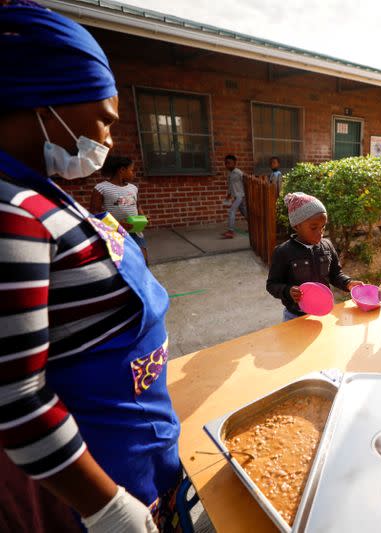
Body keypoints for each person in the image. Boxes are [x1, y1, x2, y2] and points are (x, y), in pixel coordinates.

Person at [0, 3, 180, 532]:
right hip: (95, 480)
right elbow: (15, 397)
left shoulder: (44, 193)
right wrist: (104, 507)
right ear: (43, 98)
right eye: (103, 118)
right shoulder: (12, 216)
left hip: (140, 451)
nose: (106, 137)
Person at [267, 192, 363, 321]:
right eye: (313, 228)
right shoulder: (283, 252)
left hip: (324, 312)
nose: (320, 233)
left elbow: (335, 274)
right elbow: (272, 284)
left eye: (323, 227)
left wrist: (348, 283)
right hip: (295, 316)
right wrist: (287, 291)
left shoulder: (327, 246)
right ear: (297, 226)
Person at [90, 155, 149, 263]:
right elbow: (95, 213)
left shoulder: (133, 188)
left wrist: (143, 218)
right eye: (131, 170)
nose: (133, 173)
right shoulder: (101, 188)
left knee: (142, 260)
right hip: (114, 234)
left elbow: (137, 206)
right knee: (122, 263)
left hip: (135, 232)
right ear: (122, 170)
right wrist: (118, 225)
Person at [222, 154, 246, 239]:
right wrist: (228, 195)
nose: (227, 165)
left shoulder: (239, 173)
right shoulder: (229, 174)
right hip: (236, 196)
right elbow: (230, 186)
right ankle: (253, 226)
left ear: (235, 163)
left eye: (229, 163)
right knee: (244, 212)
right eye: (226, 163)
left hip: (241, 196)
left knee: (231, 211)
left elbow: (245, 182)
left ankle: (230, 231)